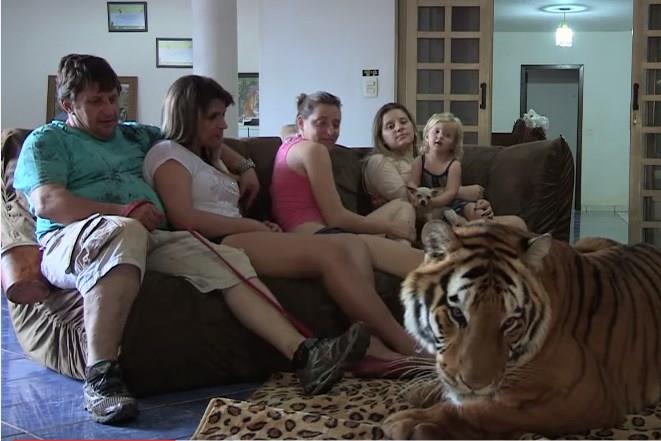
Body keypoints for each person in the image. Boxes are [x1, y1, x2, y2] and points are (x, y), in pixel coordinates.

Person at [11, 55, 368, 425]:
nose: (110, 110)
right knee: (124, 231)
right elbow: (49, 202)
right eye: (96, 101)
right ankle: (101, 377)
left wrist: (244, 165)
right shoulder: (47, 140)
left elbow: (192, 134)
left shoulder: (133, 134)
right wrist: (123, 210)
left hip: (150, 235)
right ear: (68, 104)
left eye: (113, 99)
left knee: (222, 257)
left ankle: (305, 355)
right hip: (73, 240)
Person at [144, 74, 414, 369]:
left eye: (223, 115)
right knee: (333, 252)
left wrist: (247, 168)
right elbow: (184, 217)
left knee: (347, 246)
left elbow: (249, 149)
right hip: (215, 242)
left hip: (242, 234)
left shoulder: (209, 154)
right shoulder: (168, 153)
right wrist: (251, 225)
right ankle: (408, 346)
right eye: (213, 117)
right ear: (187, 116)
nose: (223, 124)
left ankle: (373, 345)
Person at [270, 91, 426, 310]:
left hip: (323, 233)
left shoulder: (291, 142)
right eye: (321, 123)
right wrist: (390, 227)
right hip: (317, 237)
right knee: (428, 264)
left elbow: (285, 128)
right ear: (301, 123)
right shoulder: (314, 150)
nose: (331, 131)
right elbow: (337, 217)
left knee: (401, 206)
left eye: (336, 124)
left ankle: (395, 252)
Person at [365, 103, 526, 229]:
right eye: (390, 126)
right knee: (512, 226)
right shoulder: (379, 161)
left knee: (517, 223)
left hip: (449, 213)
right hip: (426, 224)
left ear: (414, 128)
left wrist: (480, 203)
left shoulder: (426, 159)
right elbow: (410, 201)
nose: (399, 128)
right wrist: (464, 192)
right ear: (381, 137)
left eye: (403, 122)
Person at [408, 112, 527, 228]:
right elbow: (412, 184)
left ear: (453, 144)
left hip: (455, 203)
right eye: (437, 131)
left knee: (477, 213)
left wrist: (434, 202)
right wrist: (414, 196)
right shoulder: (420, 161)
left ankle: (507, 225)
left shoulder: (453, 165)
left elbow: (451, 192)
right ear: (427, 135)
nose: (440, 136)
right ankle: (465, 228)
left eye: (447, 135)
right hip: (427, 203)